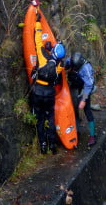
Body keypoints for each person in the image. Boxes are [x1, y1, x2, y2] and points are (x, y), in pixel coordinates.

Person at [30, 16, 66, 155]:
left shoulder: (43, 56)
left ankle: (43, 145)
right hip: (49, 94)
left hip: (38, 91)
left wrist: (38, 22)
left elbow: (38, 40)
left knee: (40, 120)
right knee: (50, 118)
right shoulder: (60, 66)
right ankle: (52, 145)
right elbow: (60, 61)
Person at [65, 51, 97, 147]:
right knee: (73, 108)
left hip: (85, 88)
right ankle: (76, 132)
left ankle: (93, 136)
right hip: (74, 84)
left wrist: (83, 100)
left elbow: (89, 85)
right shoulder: (71, 61)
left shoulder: (86, 68)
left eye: (75, 68)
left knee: (87, 110)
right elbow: (64, 65)